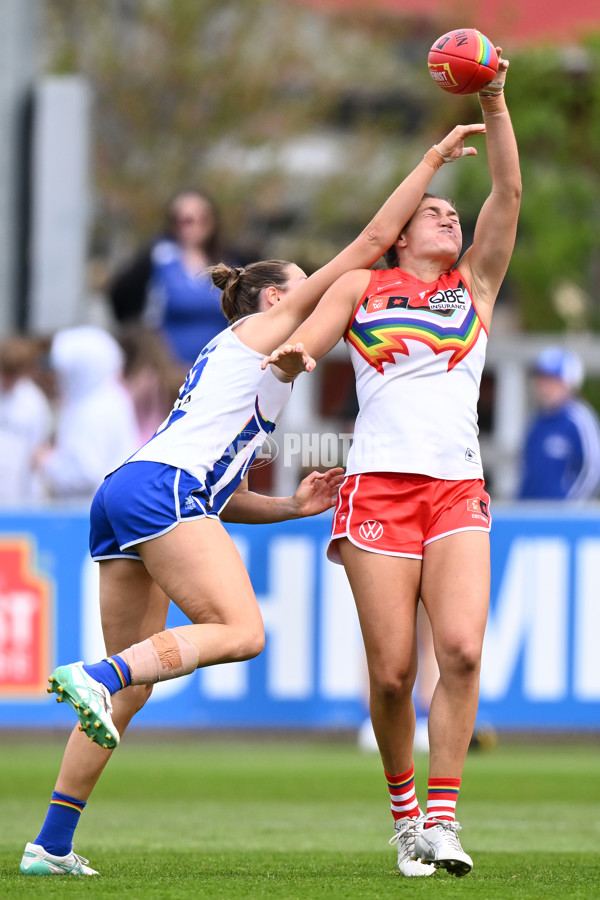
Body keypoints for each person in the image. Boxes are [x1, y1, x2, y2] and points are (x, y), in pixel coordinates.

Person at [19, 121, 485, 877]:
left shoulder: (245, 367)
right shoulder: (268, 327)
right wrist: (431, 160)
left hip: (133, 492)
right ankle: (94, 677)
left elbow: (219, 496)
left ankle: (51, 843)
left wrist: (294, 509)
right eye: (307, 282)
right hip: (162, 491)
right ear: (275, 296)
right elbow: (370, 244)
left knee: (133, 688)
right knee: (238, 631)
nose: (325, 291)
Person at [263, 51, 520, 877]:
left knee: (463, 651)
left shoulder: (472, 287)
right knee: (390, 674)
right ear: (404, 228)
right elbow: (307, 341)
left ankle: (442, 821)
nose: (451, 219)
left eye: (454, 214)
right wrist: (298, 356)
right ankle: (403, 817)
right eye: (436, 212)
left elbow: (508, 196)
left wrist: (498, 100)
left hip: (456, 487)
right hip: (377, 487)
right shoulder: (363, 289)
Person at [108, 189, 229, 368]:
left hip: (217, 367)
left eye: (202, 219)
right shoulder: (159, 256)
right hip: (168, 370)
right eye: (185, 220)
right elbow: (120, 295)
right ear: (173, 223)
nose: (194, 226)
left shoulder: (229, 261)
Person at [34, 326, 140, 503]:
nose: (58, 377)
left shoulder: (92, 410)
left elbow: (84, 474)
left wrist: (47, 461)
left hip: (89, 514)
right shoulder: (109, 398)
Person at [517, 346, 600, 500]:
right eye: (541, 379)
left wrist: (568, 508)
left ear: (569, 383)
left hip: (562, 519)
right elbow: (527, 469)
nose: (545, 387)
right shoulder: (536, 420)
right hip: (530, 514)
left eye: (553, 380)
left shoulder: (579, 420)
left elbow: (592, 470)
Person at [0, 335, 53, 505]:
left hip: (17, 496)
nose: (6, 380)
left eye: (12, 375)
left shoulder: (34, 403)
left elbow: (37, 454)